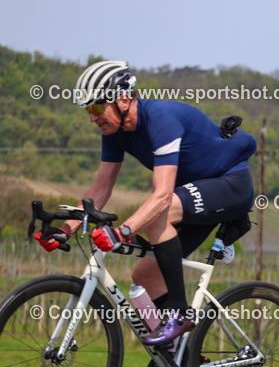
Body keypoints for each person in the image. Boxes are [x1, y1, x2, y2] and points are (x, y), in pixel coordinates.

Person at [35, 60, 256, 347]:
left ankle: (180, 312)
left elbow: (162, 196)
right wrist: (66, 229)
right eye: (88, 110)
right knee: (145, 275)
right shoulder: (114, 134)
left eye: (97, 108)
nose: (92, 118)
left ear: (123, 99)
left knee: (156, 214)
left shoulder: (161, 120)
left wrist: (122, 231)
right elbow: (100, 188)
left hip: (230, 185)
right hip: (192, 196)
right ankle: (181, 359)